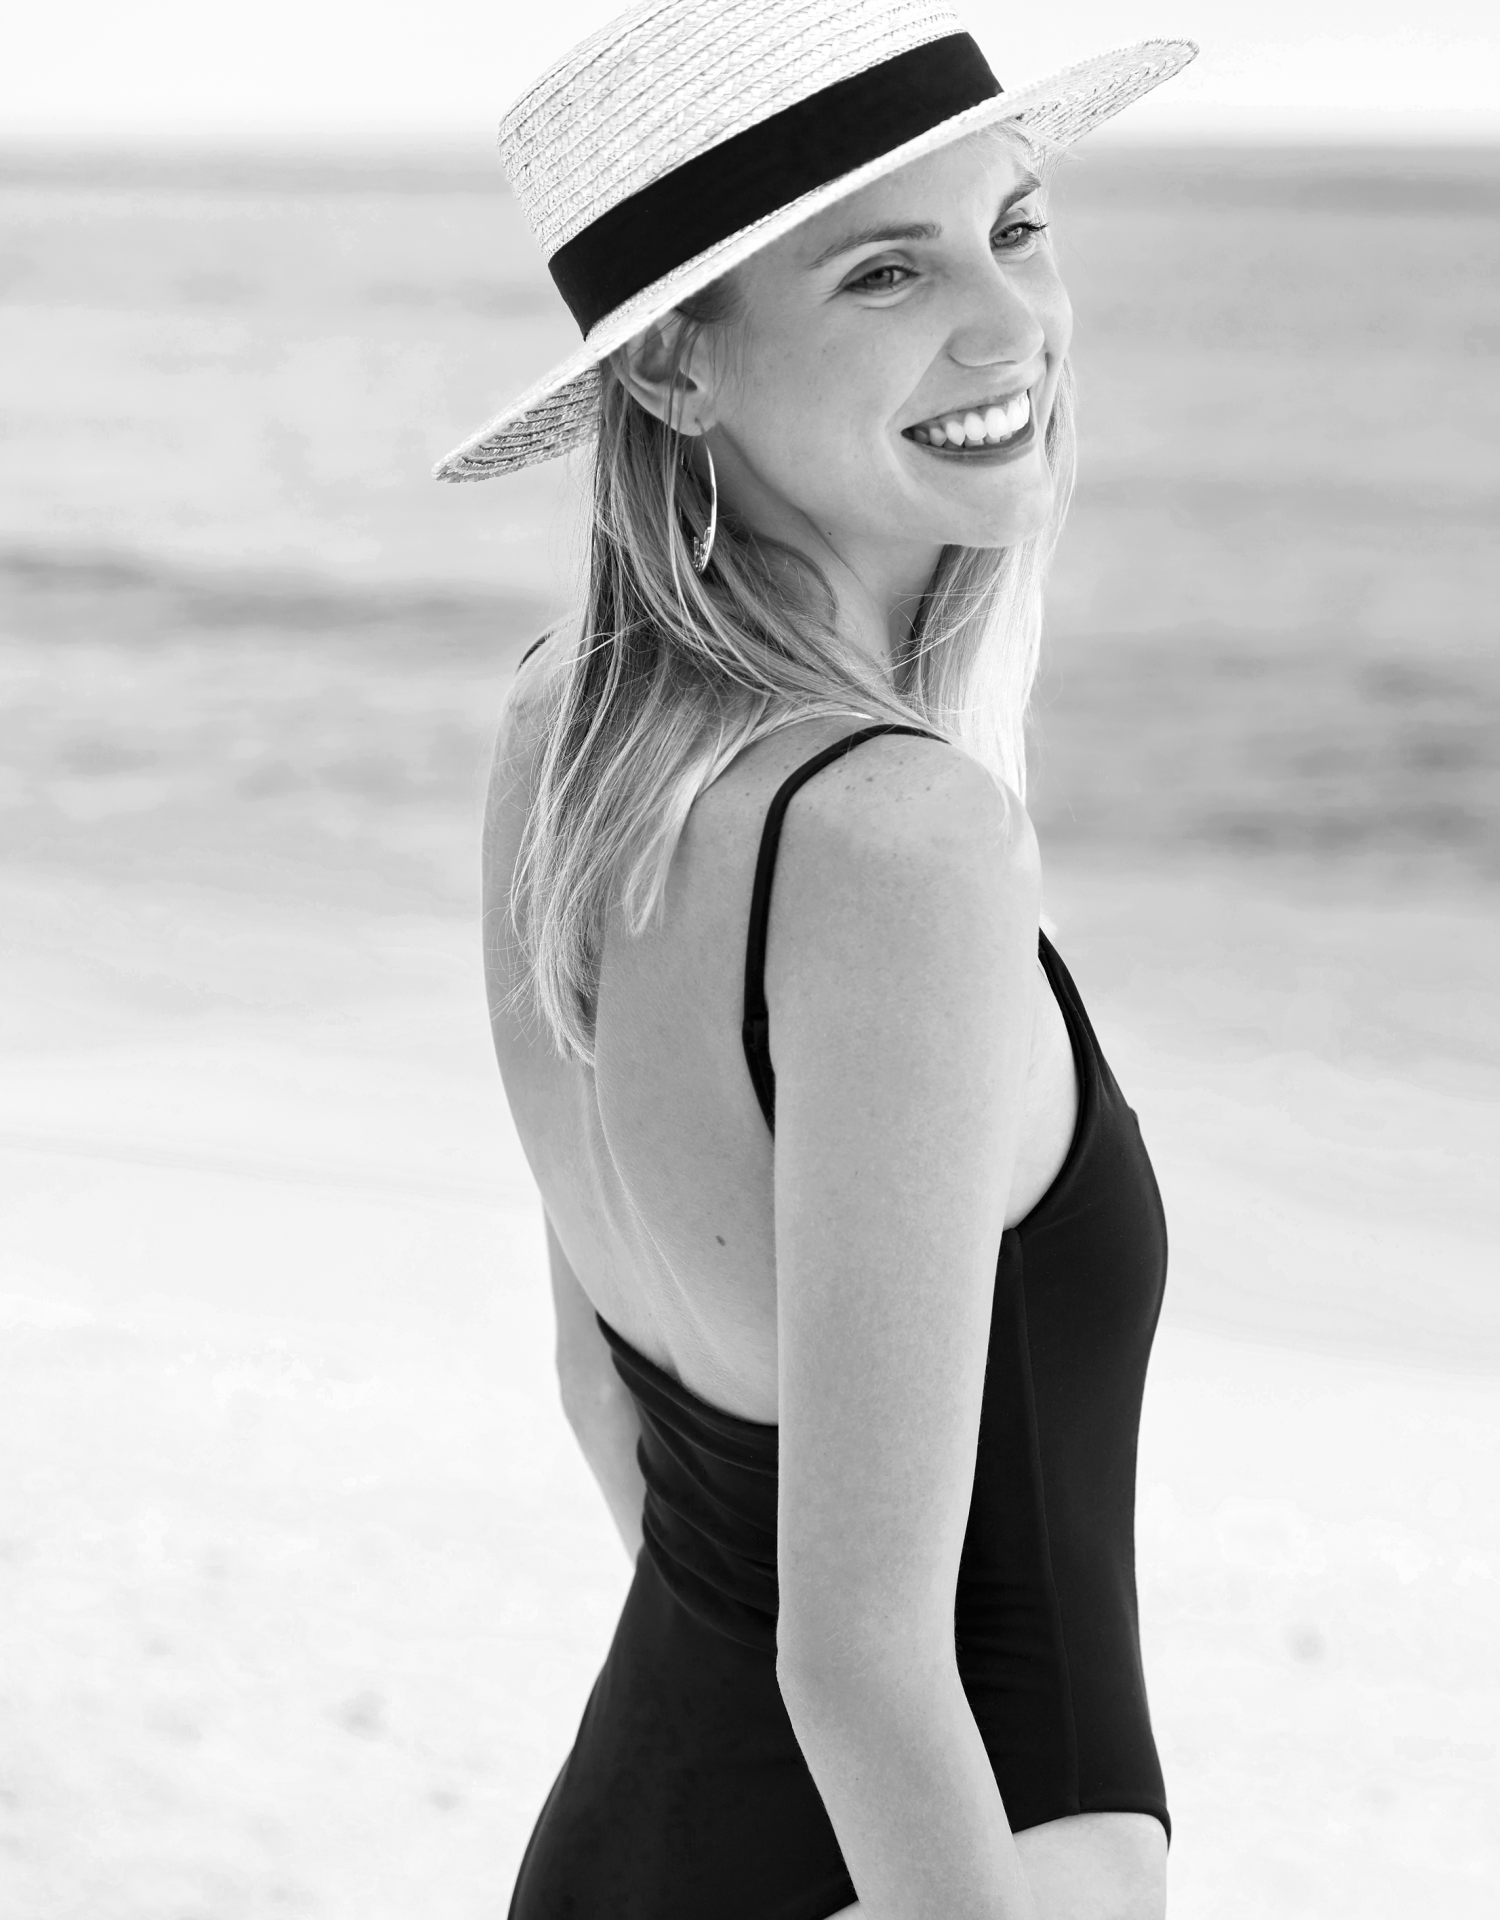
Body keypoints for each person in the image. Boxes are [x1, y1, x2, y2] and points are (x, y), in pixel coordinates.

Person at [430, 5, 1197, 1915]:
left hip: (630, 1843)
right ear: (679, 369)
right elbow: (857, 1662)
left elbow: (600, 1391)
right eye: (884, 270)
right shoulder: (898, 841)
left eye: (1014, 228)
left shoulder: (565, 742)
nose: (1008, 324)